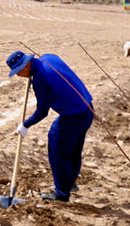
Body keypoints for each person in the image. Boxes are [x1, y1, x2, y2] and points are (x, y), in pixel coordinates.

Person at [7, 50, 94, 203]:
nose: (19, 76)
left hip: (74, 114)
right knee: (73, 148)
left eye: (18, 72)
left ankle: (61, 194)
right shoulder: (48, 58)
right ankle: (69, 183)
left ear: (25, 66)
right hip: (87, 107)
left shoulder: (39, 80)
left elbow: (42, 111)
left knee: (57, 146)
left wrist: (26, 125)